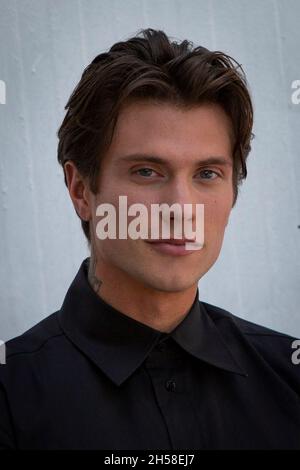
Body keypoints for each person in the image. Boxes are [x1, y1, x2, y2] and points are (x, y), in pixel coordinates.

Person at [0, 28, 299, 450]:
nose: (181, 207)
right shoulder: (10, 395)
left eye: (207, 174)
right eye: (147, 171)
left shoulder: (290, 375)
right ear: (81, 190)